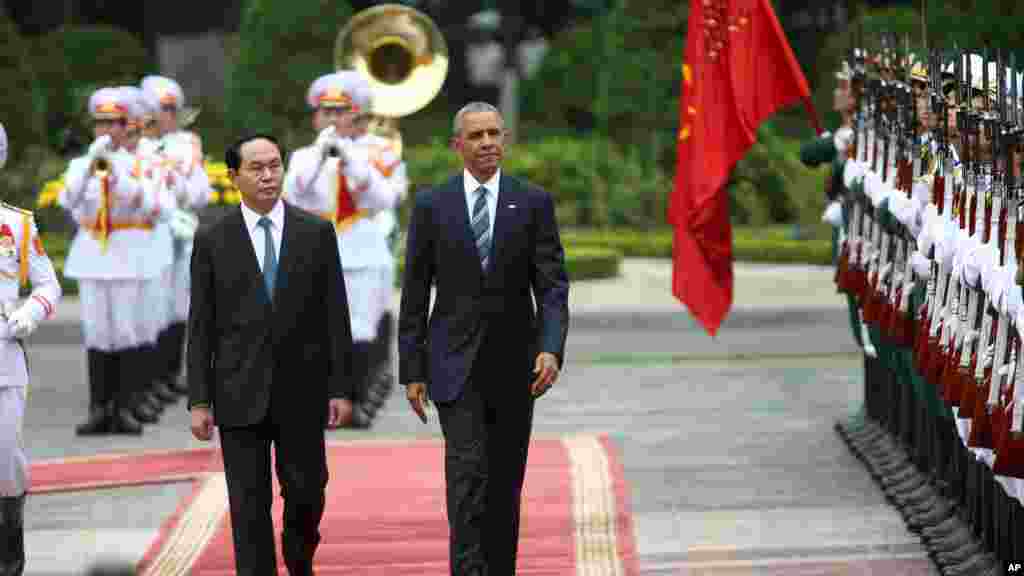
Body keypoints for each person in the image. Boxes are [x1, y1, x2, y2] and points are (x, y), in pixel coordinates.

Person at [398, 102, 570, 574]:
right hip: (454, 367)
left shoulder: (532, 201)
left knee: (503, 484)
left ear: (505, 139)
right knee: (467, 476)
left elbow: (552, 286)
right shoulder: (433, 205)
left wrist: (550, 348)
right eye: (476, 136)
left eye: (495, 133)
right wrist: (411, 370)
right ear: (458, 145)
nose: (488, 142)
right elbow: (414, 292)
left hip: (516, 368)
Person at [187, 133, 355, 576]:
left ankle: (300, 559)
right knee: (248, 504)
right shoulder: (212, 238)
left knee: (307, 491)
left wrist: (341, 387)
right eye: (256, 168)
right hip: (238, 390)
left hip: (302, 390)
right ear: (234, 176)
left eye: (275, 165)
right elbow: (201, 324)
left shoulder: (315, 232)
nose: (267, 175)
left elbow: (335, 315)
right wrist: (199, 400)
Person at [283, 71, 398, 428]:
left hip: (361, 252)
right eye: (325, 113)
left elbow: (384, 199)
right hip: (316, 253)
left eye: (340, 112)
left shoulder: (372, 153)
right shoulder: (304, 156)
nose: (332, 120)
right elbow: (294, 192)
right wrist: (321, 156)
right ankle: (325, 400)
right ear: (316, 118)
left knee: (361, 328)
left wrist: (351, 160)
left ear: (356, 115)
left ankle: (358, 400)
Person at [61, 87, 158, 436]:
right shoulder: (80, 164)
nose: (107, 130)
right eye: (100, 122)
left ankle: (126, 406)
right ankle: (99, 408)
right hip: (92, 253)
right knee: (98, 332)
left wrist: (117, 180)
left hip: (127, 252)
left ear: (126, 126)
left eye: (114, 123)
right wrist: (90, 166)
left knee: (125, 331)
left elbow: (149, 205)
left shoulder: (137, 163)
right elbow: (67, 198)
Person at [0, 121, 63, 574]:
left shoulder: (16, 225)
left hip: (3, 357)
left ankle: (9, 557)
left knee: (4, 457)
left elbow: (48, 284)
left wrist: (30, 313)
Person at [141, 75, 211, 396]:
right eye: (162, 108)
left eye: (172, 109)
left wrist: (179, 185)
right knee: (152, 306)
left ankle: (170, 372)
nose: (168, 115)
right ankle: (149, 377)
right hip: (148, 231)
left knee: (179, 303)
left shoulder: (187, 144)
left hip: (181, 228)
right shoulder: (134, 145)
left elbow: (201, 191)